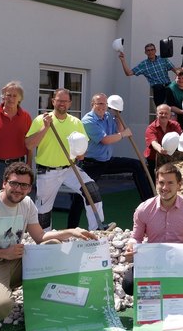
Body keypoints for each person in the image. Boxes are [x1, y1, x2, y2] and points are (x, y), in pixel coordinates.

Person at [0, 162, 96, 325]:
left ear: (29, 188)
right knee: (1, 308)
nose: (18, 189)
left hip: (13, 260)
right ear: (4, 183)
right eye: (14, 183)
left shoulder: (27, 204)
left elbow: (40, 237)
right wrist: (2, 253)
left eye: (24, 185)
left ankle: (33, 293)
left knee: (54, 244)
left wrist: (71, 231)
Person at [66, 93, 154, 229]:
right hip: (91, 164)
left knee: (136, 165)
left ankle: (149, 203)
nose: (102, 106)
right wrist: (123, 134)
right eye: (99, 103)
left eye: (105, 104)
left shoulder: (108, 116)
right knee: (82, 196)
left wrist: (118, 113)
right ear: (92, 105)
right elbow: (105, 140)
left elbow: (118, 130)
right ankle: (71, 228)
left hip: (106, 161)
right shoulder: (88, 120)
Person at [25, 88, 107, 231]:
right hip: (47, 171)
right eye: (59, 100)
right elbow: (29, 144)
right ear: (53, 101)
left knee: (91, 190)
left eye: (65, 101)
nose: (62, 103)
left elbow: (83, 149)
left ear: (70, 103)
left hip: (70, 168)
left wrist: (81, 153)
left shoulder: (76, 122)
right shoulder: (41, 120)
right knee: (44, 209)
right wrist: (45, 127)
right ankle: (45, 237)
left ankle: (97, 229)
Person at [121, 163, 183, 295]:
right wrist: (131, 247)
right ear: (156, 183)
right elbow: (136, 237)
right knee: (129, 284)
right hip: (153, 261)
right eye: (161, 183)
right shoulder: (143, 209)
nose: (165, 187)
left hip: (181, 259)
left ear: (179, 185)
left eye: (170, 183)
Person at [144, 104, 183, 179]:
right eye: (161, 113)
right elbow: (153, 142)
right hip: (153, 159)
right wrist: (160, 149)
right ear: (157, 114)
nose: (163, 115)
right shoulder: (151, 128)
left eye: (166, 113)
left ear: (170, 115)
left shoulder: (175, 125)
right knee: (153, 181)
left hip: (170, 157)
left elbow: (181, 137)